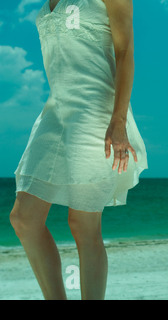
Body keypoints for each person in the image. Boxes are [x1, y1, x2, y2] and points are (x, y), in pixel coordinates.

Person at [9, 0, 148, 300]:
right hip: (55, 112)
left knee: (83, 225)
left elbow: (125, 52)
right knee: (24, 218)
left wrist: (119, 121)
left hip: (95, 112)